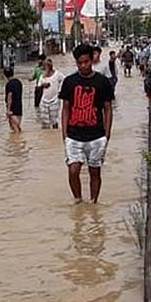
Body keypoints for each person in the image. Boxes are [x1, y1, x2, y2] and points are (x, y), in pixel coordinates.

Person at [60, 44, 115, 203]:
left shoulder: (102, 82)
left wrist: (107, 133)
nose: (83, 66)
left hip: (96, 135)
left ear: (92, 60)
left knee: (95, 172)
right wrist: (64, 133)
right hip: (73, 135)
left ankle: (93, 202)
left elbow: (108, 108)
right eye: (79, 63)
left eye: (86, 62)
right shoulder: (69, 82)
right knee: (73, 170)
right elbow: (65, 108)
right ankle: (78, 200)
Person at [38, 58, 64, 129]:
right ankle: (46, 135)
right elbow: (38, 87)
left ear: (49, 67)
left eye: (45, 67)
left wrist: (59, 91)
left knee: (54, 120)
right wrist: (43, 85)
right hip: (44, 101)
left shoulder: (58, 74)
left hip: (54, 100)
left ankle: (54, 133)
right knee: (44, 121)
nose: (44, 69)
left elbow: (64, 81)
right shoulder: (42, 76)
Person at [5, 68, 23, 133]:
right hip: (19, 107)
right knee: (16, 126)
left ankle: (16, 141)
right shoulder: (19, 82)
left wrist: (8, 109)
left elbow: (9, 96)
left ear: (5, 76)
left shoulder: (9, 84)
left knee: (14, 127)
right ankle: (20, 140)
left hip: (12, 108)